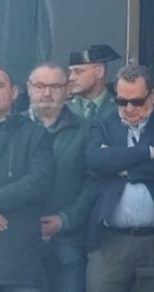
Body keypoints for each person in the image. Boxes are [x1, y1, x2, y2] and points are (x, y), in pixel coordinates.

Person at [84, 64, 154, 292]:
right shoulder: (103, 124)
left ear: (153, 96)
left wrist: (127, 169)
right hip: (111, 241)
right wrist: (148, 152)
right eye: (122, 101)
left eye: (137, 101)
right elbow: (95, 160)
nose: (129, 108)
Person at [27, 64, 93, 292]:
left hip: (69, 241)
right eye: (40, 86)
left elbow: (93, 184)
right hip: (19, 244)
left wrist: (65, 220)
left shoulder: (87, 130)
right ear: (29, 88)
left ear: (68, 89)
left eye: (55, 86)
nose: (47, 93)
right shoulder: (11, 128)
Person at [0, 66, 56, 292]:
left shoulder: (35, 133)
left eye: (0, 85)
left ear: (15, 92)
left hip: (19, 260)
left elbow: (40, 181)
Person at [66, 45, 119, 121]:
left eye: (78, 72)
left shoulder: (122, 106)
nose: (71, 78)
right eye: (70, 72)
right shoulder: (61, 108)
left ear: (99, 72)